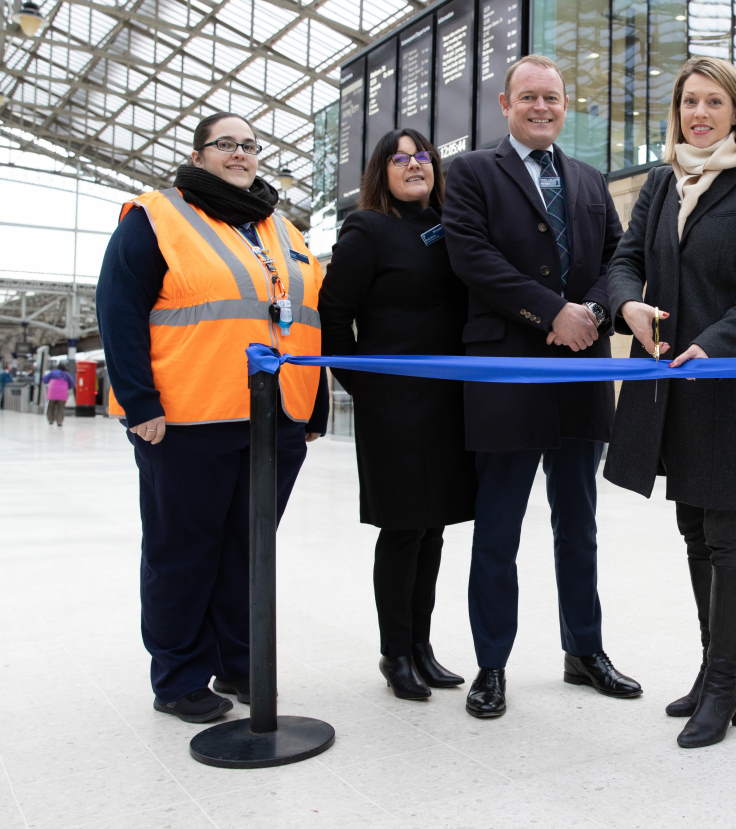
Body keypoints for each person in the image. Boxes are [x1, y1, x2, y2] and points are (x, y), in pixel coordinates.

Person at [96, 112, 328, 723]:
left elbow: (306, 319)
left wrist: (316, 404)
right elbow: (119, 309)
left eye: (250, 145)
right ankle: (178, 677)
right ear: (198, 155)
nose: (240, 154)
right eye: (225, 144)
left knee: (249, 549)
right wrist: (140, 404)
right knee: (184, 549)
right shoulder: (157, 218)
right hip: (188, 416)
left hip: (275, 417)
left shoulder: (283, 229)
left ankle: (241, 662)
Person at [603, 57, 736, 748]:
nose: (700, 113)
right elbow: (624, 261)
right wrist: (625, 304)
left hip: (721, 384)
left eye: (714, 101)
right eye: (689, 101)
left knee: (726, 532)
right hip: (663, 385)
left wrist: (713, 344)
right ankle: (718, 668)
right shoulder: (659, 185)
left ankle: (723, 682)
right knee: (691, 529)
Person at [442, 54, 640, 719]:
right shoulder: (470, 173)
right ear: (505, 104)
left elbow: (619, 261)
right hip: (507, 374)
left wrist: (592, 315)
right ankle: (492, 663)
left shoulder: (588, 180)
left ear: (564, 105)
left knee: (577, 525)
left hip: (581, 374)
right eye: (528, 97)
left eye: (551, 98)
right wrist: (549, 311)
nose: (541, 107)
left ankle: (584, 649)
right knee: (498, 529)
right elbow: (472, 258)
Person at [319, 129, 475, 701]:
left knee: (433, 528)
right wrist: (366, 388)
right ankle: (395, 653)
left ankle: (422, 646)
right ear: (381, 172)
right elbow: (333, 316)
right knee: (403, 528)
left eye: (423, 157)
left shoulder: (448, 228)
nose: (415, 165)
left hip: (446, 402)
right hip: (396, 407)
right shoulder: (368, 229)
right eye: (400, 158)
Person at [41, 362, 74, 426]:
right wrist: (67, 386)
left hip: (52, 392)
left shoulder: (53, 372)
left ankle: (50, 420)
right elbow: (72, 384)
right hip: (62, 393)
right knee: (61, 408)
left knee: (51, 407)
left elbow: (45, 380)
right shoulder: (66, 374)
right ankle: (59, 422)